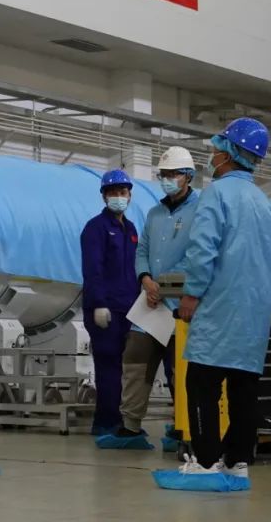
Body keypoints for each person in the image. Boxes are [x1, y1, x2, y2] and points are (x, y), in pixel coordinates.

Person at [152, 117, 271, 492]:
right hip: (254, 310)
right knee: (243, 387)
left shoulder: (217, 194)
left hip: (219, 306)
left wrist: (191, 294)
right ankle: (238, 462)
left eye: (216, 149)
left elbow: (203, 249)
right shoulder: (265, 202)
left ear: (228, 153)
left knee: (202, 382)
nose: (212, 155)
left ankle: (206, 461)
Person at [98, 148, 197, 451]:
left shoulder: (202, 210)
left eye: (173, 174)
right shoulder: (154, 213)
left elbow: (200, 254)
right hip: (150, 302)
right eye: (163, 174)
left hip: (183, 303)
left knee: (181, 369)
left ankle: (184, 427)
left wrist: (163, 287)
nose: (167, 179)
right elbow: (142, 251)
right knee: (135, 360)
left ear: (188, 176)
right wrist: (145, 279)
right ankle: (130, 427)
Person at [80, 169, 140, 436]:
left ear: (130, 195)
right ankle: (105, 422)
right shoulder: (96, 228)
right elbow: (93, 269)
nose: (119, 197)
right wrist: (99, 303)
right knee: (108, 367)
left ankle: (123, 421)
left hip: (129, 308)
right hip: (105, 309)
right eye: (113, 192)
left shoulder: (130, 229)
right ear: (104, 196)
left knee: (127, 369)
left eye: (123, 192)